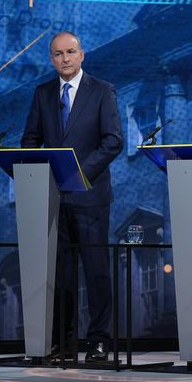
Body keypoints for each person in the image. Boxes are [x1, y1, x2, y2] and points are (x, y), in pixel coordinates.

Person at [21, 31, 123, 362]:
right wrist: (38, 172)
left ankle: (98, 339)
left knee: (96, 271)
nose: (64, 59)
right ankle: (63, 342)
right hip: (54, 199)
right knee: (61, 274)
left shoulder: (102, 91)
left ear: (82, 55)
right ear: (51, 59)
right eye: (57, 54)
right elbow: (30, 139)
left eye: (70, 52)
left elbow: (113, 141)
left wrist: (79, 172)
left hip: (90, 195)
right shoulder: (42, 94)